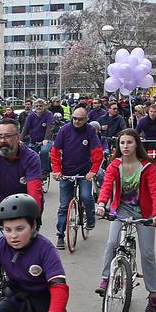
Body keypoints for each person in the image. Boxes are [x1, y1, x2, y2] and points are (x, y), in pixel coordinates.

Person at [94, 129, 156, 312]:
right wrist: (101, 204)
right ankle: (105, 278)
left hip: (144, 212)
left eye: (129, 143)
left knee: (147, 253)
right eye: (122, 143)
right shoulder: (114, 165)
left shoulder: (147, 166)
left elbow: (155, 191)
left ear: (137, 144)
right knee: (112, 243)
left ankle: (153, 293)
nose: (125, 146)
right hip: (121, 210)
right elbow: (107, 186)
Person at [50, 106, 103, 247]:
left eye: (80, 119)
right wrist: (56, 170)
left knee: (86, 196)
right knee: (64, 206)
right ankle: (60, 235)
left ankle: (90, 219)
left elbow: (98, 153)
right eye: (74, 118)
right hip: (66, 173)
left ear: (86, 119)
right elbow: (55, 152)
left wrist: (93, 171)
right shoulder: (64, 130)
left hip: (84, 173)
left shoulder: (90, 131)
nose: (77, 121)